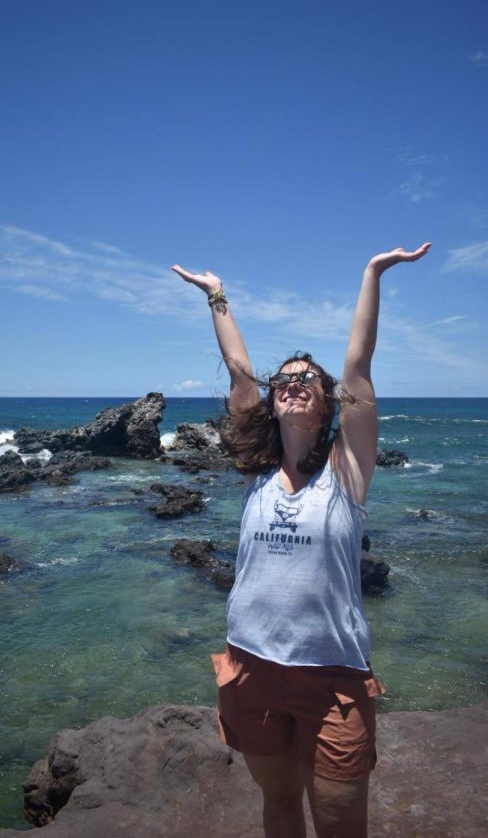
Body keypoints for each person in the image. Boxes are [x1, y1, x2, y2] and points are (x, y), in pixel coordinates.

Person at [172, 243, 431, 838]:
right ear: (273, 398)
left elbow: (359, 367)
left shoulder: (348, 469)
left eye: (306, 379)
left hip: (333, 674)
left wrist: (373, 271)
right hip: (252, 666)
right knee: (279, 806)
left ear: (325, 400)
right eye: (284, 379)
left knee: (341, 823)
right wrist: (216, 293)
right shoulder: (256, 472)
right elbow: (240, 370)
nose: (291, 384)